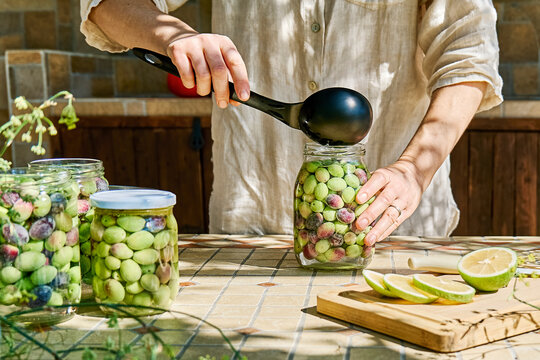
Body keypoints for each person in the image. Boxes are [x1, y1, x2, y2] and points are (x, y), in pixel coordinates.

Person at [81, 0, 502, 245]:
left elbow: (469, 51)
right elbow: (102, 6)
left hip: (396, 230)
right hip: (250, 225)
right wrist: (172, 35)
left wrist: (412, 169)